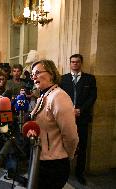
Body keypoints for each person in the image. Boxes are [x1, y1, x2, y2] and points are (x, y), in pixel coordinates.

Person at [28, 59, 79, 189]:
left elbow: (71, 135)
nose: (33, 77)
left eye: (37, 72)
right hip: (40, 159)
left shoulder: (59, 96)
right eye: (32, 74)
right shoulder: (45, 95)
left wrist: (68, 155)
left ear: (51, 74)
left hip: (54, 164)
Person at [60, 54, 97, 185]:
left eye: (77, 62)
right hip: (66, 118)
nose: (75, 64)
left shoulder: (89, 79)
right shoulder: (63, 79)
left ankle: (79, 173)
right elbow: (59, 97)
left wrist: (80, 110)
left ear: (81, 63)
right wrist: (69, 110)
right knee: (64, 145)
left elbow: (92, 97)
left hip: (82, 118)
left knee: (82, 147)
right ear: (69, 63)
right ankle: (64, 172)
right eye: (72, 62)